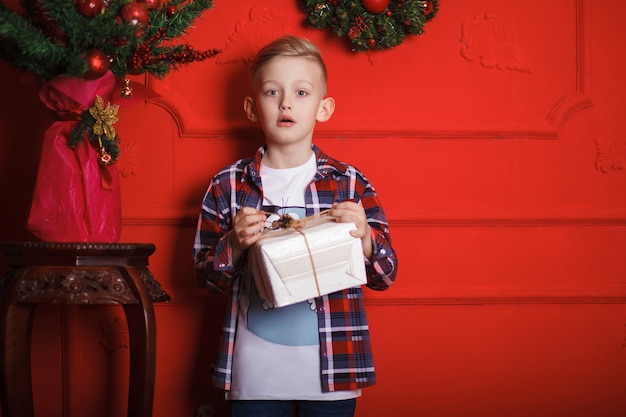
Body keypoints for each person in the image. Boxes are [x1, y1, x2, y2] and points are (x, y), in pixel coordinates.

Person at [193, 35, 398, 417]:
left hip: (332, 370)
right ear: (253, 108)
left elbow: (386, 275)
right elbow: (205, 280)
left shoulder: (349, 183)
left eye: (301, 92)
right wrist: (234, 245)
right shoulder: (227, 184)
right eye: (273, 92)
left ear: (324, 108)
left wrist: (367, 239)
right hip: (254, 373)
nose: (286, 102)